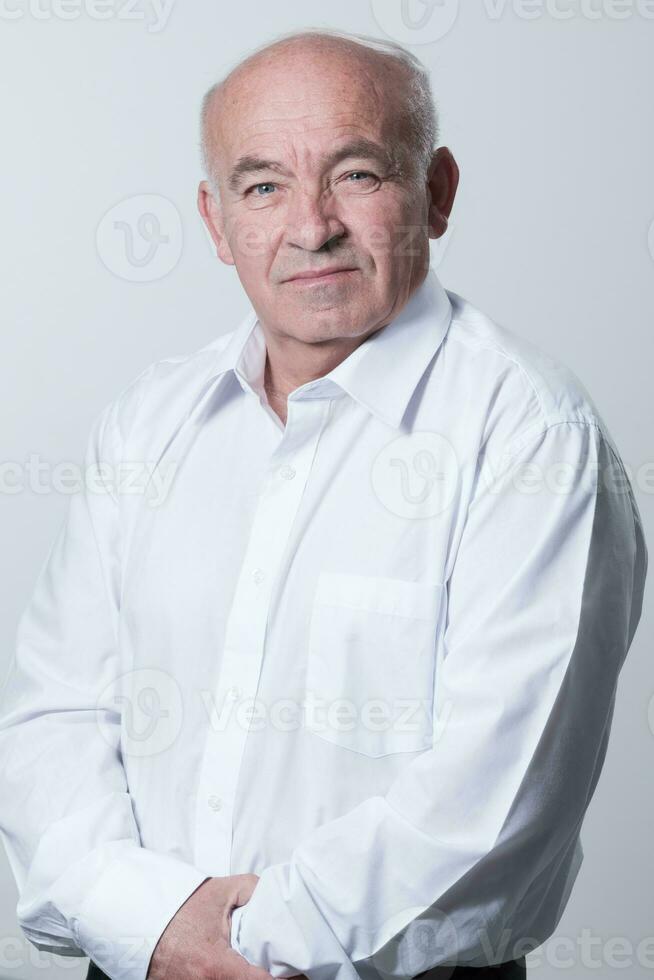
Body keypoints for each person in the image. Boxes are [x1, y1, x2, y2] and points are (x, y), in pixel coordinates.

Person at [0, 26, 647, 980]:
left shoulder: (533, 438)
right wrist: (150, 925)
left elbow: (496, 805)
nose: (312, 227)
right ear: (217, 224)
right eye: (262, 187)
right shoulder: (148, 423)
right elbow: (54, 715)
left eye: (356, 175)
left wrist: (237, 948)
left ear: (437, 193)